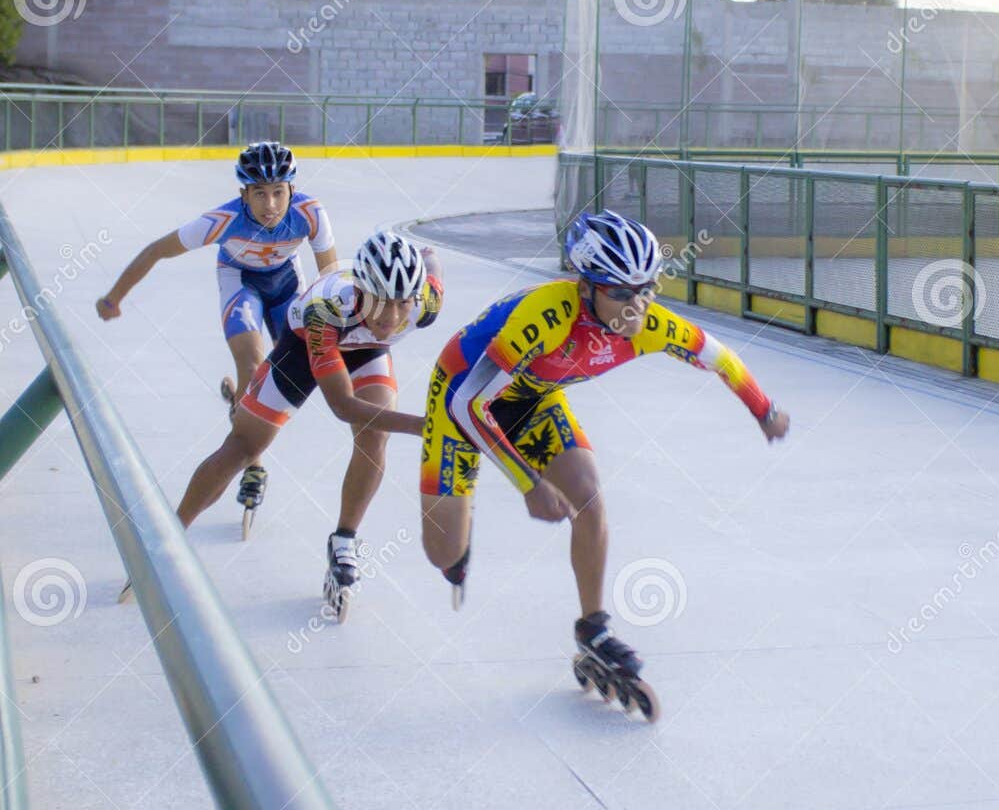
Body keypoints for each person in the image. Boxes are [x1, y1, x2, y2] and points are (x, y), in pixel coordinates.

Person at [417, 210, 790, 721]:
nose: (636, 305)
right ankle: (460, 525)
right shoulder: (544, 315)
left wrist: (764, 410)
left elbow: (721, 359)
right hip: (462, 393)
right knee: (444, 555)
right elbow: (468, 406)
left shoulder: (650, 325)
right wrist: (527, 483)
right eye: (621, 292)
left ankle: (593, 628)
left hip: (532, 397)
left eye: (647, 288)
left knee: (588, 497)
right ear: (586, 286)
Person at [158, 231, 444, 620]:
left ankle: (344, 540)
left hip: (366, 351)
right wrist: (424, 426)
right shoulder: (325, 309)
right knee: (243, 447)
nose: (393, 318)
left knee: (375, 436)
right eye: (382, 304)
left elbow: (432, 271)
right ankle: (168, 540)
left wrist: (428, 257)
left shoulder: (425, 303)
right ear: (361, 289)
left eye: (402, 304)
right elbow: (344, 405)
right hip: (303, 345)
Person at [96, 141, 337, 519]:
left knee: (294, 371)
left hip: (288, 283)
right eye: (259, 193)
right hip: (240, 281)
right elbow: (156, 250)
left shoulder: (310, 213)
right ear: (243, 194)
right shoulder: (222, 221)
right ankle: (253, 463)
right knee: (252, 361)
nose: (270, 205)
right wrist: (115, 297)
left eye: (278, 192)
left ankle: (241, 406)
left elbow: (329, 280)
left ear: (292, 189)